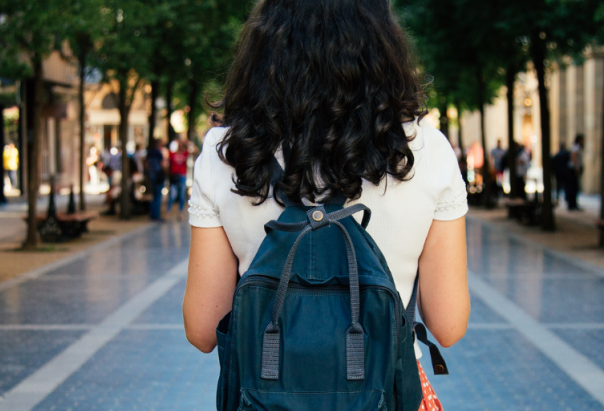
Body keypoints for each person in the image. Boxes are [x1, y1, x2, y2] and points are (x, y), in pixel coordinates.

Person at [182, 2, 468, 409]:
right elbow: (449, 324)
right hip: (386, 394)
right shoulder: (425, 150)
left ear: (266, 45)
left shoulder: (226, 152)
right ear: (381, 44)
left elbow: (202, 329)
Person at [145, 139, 167, 221]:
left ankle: (152, 214)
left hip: (152, 176)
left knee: (154, 196)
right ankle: (156, 215)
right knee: (158, 196)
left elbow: (146, 164)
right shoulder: (158, 153)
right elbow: (162, 165)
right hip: (158, 176)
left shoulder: (150, 153)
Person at [167, 140, 190, 215]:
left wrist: (188, 143)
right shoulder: (172, 154)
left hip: (182, 175)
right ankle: (168, 211)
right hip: (174, 175)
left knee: (182, 195)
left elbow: (195, 150)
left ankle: (180, 212)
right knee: (172, 194)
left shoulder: (185, 153)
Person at [566, 134, 585, 211]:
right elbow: (574, 158)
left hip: (573, 169)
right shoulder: (576, 147)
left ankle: (573, 204)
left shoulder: (577, 147)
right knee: (573, 187)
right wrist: (576, 169)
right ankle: (572, 204)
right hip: (572, 170)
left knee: (574, 188)